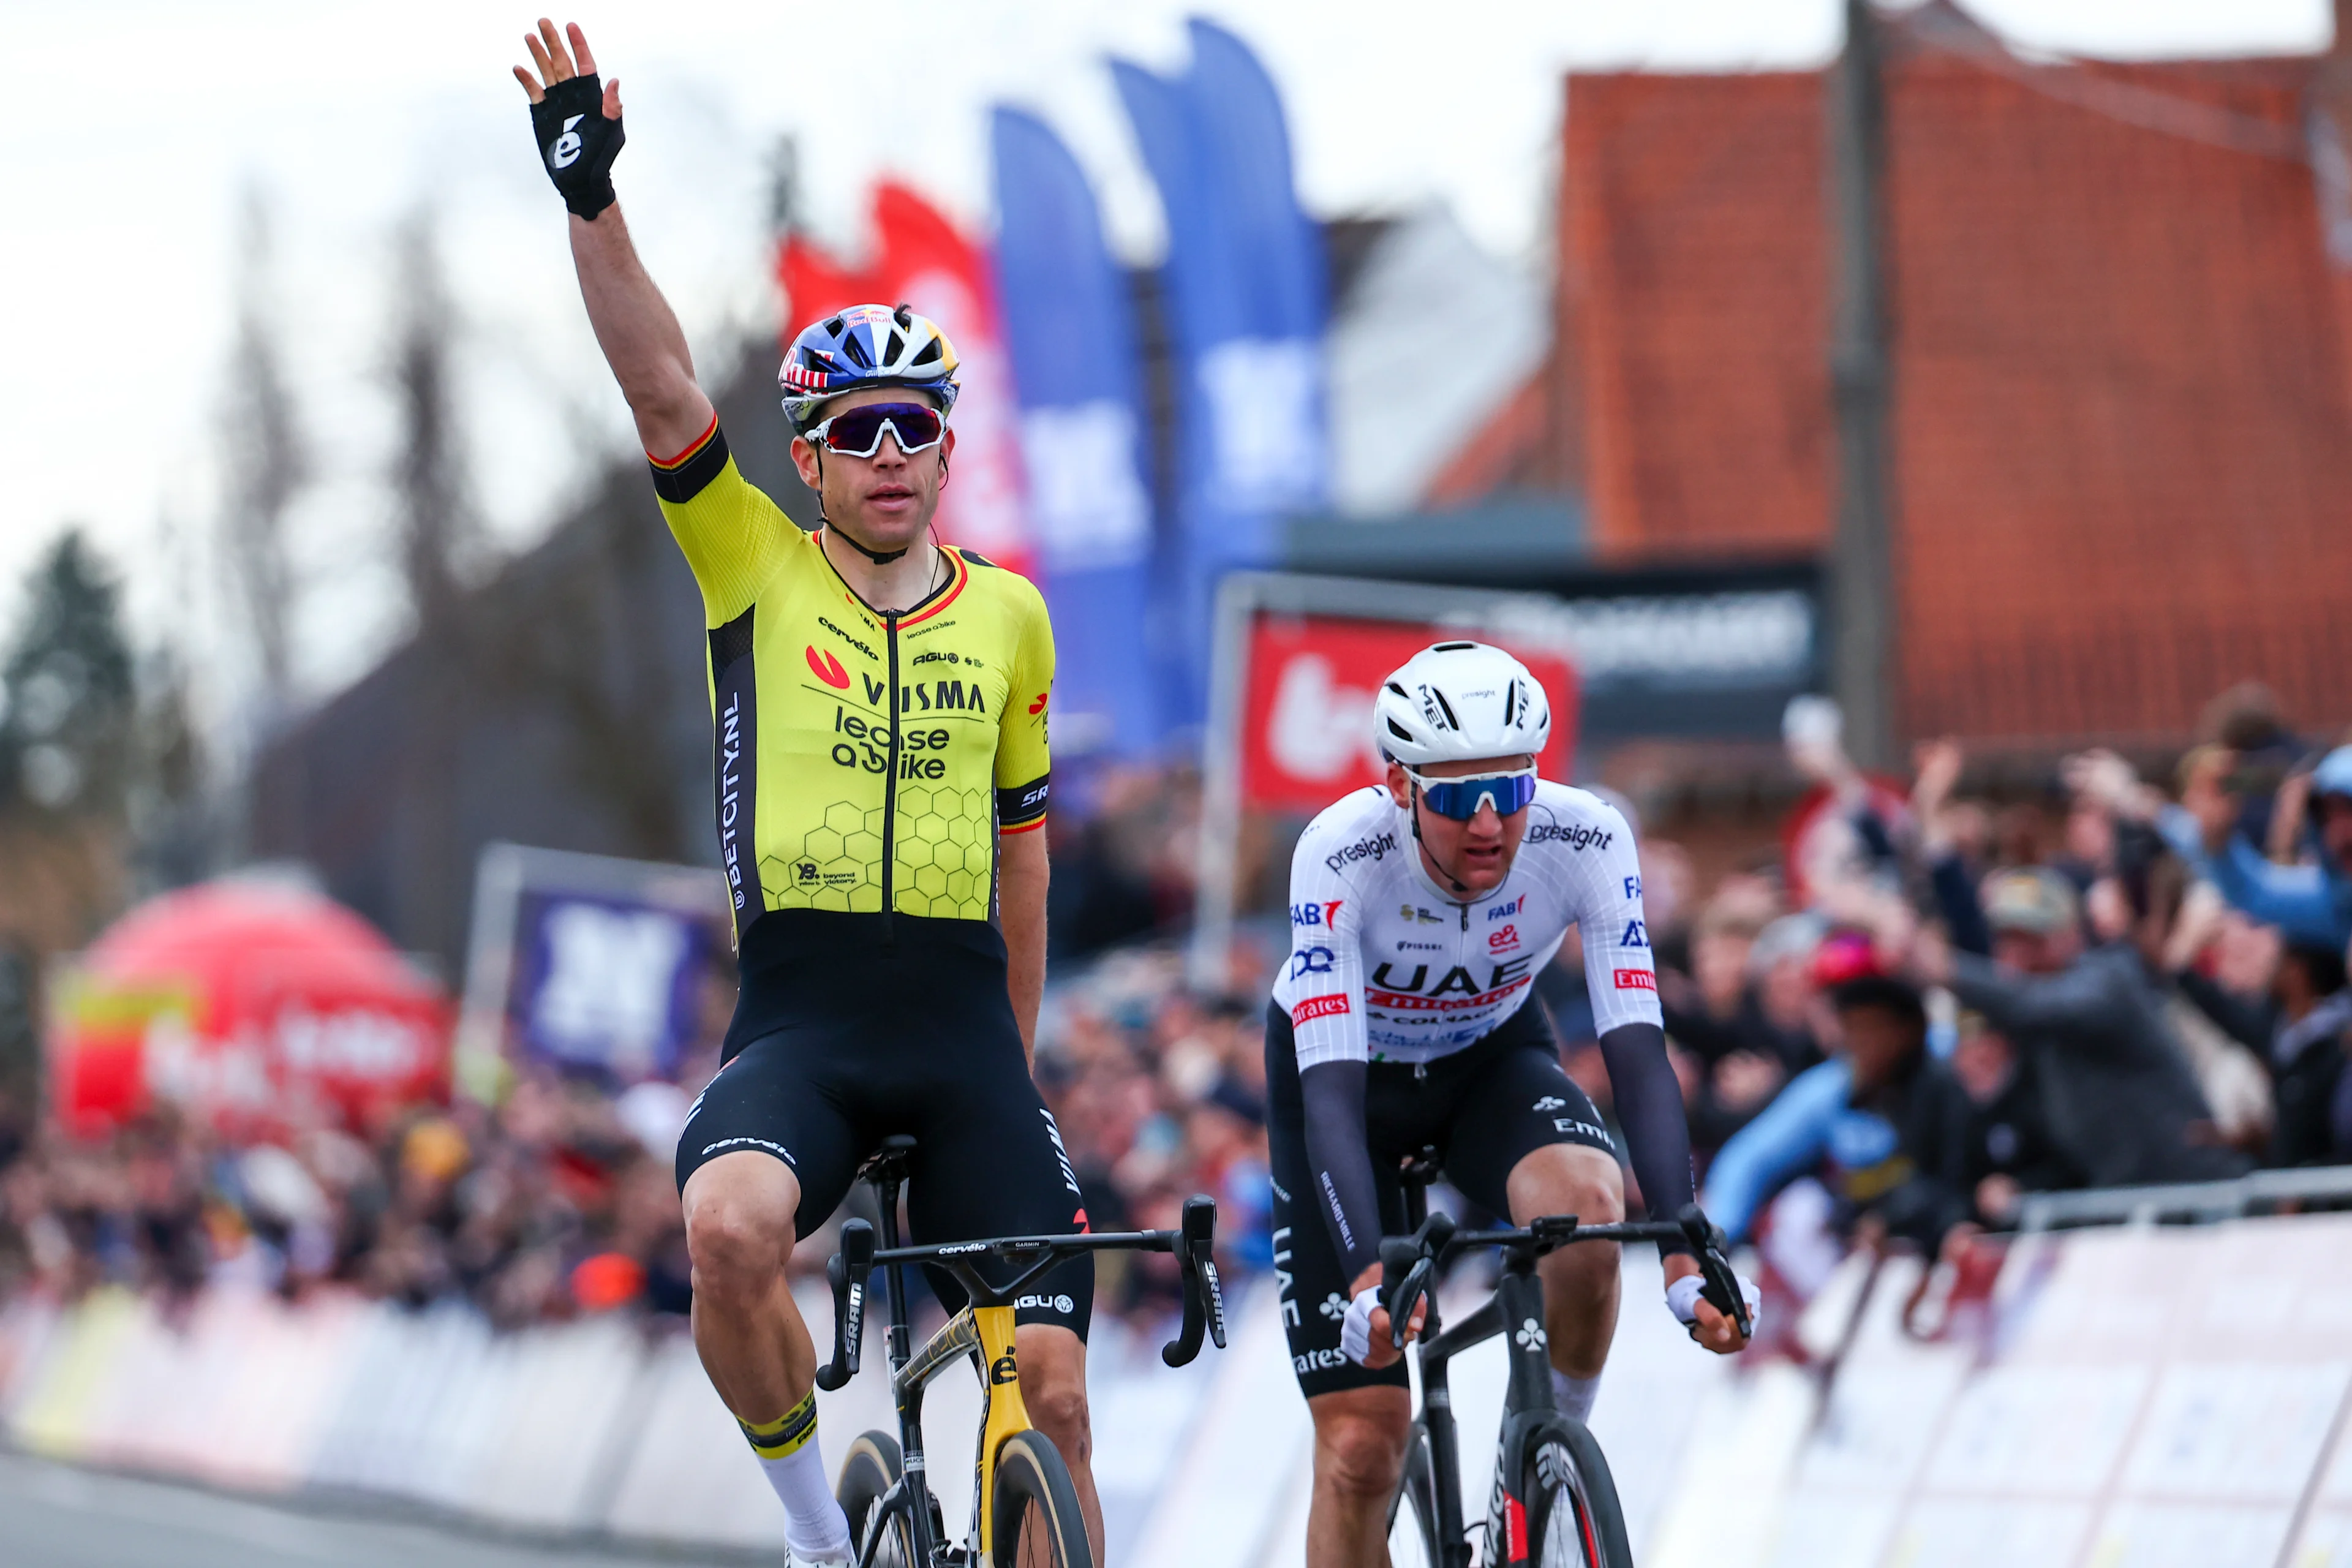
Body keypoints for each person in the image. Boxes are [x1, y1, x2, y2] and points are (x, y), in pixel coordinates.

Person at [513, 23, 1093, 1564]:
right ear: (811, 455)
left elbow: (1024, 864)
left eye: (917, 429)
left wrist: (1016, 1070)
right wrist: (592, 200)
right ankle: (811, 1534)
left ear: (949, 447)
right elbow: (655, 388)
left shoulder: (1013, 614)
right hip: (805, 1022)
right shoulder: (751, 564)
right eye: (859, 433)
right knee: (723, 1229)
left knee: (1049, 1387)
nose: (892, 455)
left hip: (967, 1027)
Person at [1265, 641, 1752, 1568]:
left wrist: (1688, 1247)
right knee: (1364, 1448)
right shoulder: (1339, 852)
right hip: (1348, 1095)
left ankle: (1547, 1473)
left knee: (1590, 1210)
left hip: (1487, 1062)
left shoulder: (1589, 836)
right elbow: (1327, 1094)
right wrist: (1370, 1278)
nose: (1488, 822)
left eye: (1511, 789)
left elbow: (1638, 1052)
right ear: (1401, 787)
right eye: (1454, 797)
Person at [1912, 868, 2246, 1189]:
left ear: (2070, 935)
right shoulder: (2031, 1023)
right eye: (2006, 940)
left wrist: (1946, 967)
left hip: (2198, 1191)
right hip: (2127, 1201)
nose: (2016, 955)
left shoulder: (2109, 979)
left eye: (2031, 939)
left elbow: (2033, 1004)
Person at [1701, 974, 1977, 1259]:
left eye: (1873, 1029)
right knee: (1801, 1208)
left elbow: (1953, 1182)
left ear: (1907, 1029)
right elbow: (1750, 1156)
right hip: (1859, 1238)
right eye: (1853, 1030)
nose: (1862, 1044)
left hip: (1936, 1237)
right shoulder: (1835, 1085)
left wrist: (1890, 1218)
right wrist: (1715, 1240)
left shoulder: (1947, 1078)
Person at [2167, 744, 2352, 951]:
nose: (2338, 835)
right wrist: (2217, 840)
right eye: (2326, 818)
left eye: (2349, 812)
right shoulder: (2340, 901)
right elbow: (2255, 893)